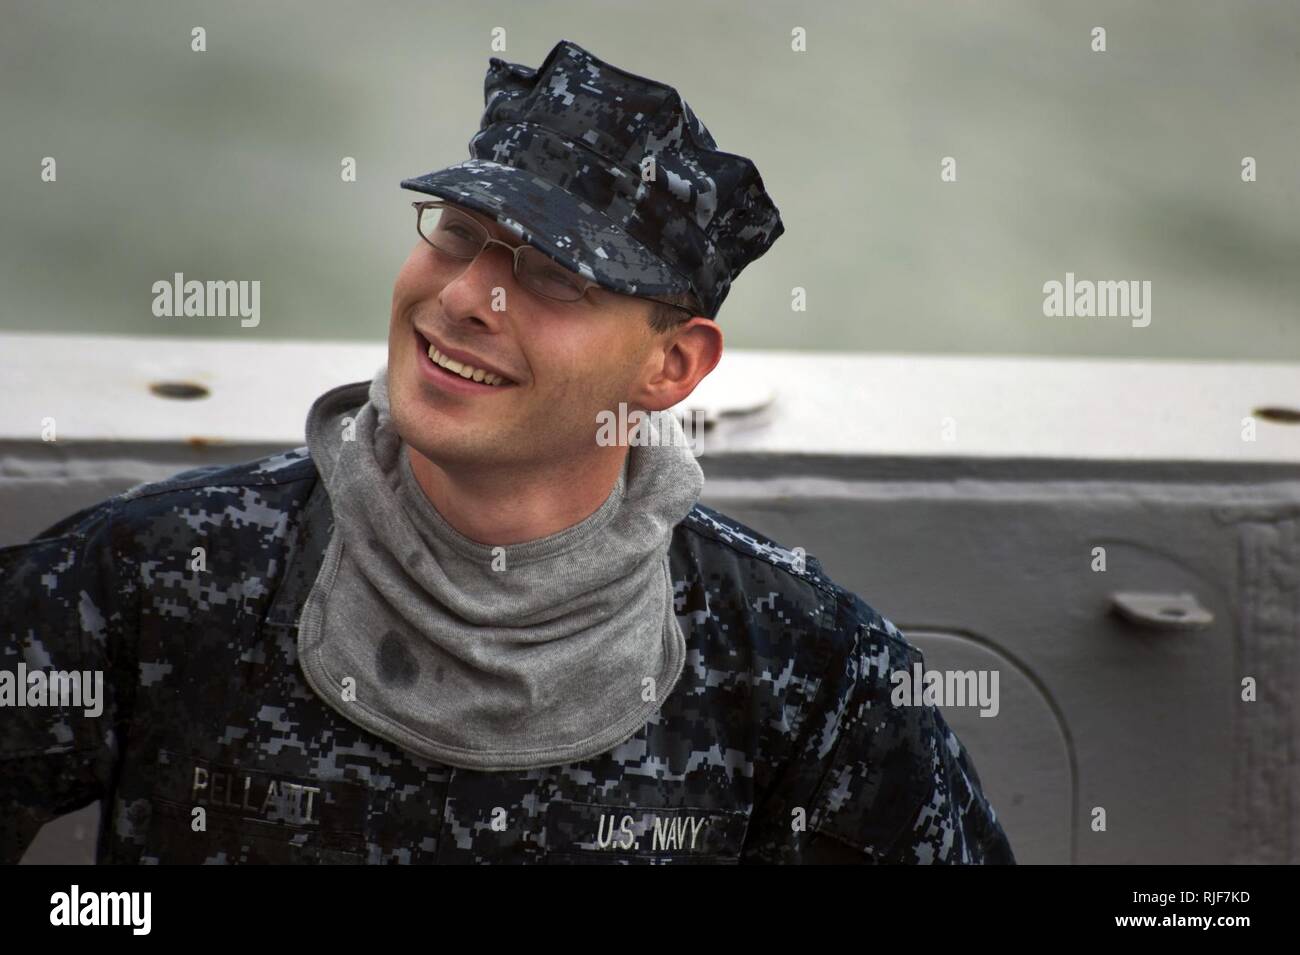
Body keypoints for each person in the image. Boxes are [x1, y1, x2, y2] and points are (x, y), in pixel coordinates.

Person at [0, 38, 1013, 864]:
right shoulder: (164, 574)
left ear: (670, 367)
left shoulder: (805, 668)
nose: (459, 298)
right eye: (454, 232)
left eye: (554, 278)